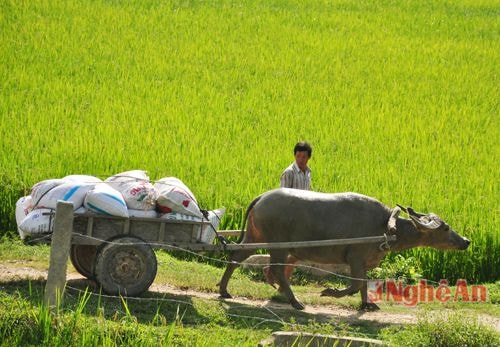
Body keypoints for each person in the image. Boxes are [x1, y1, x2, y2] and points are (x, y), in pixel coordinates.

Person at [264, 141, 313, 289]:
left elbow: (308, 193)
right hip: (290, 220)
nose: (301, 159)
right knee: (295, 252)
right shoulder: (289, 173)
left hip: (302, 219)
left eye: (304, 157)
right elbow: (282, 197)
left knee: (298, 253)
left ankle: (274, 273)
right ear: (295, 156)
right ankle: (282, 281)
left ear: (308, 158)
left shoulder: (308, 172)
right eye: (298, 156)